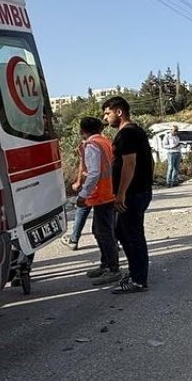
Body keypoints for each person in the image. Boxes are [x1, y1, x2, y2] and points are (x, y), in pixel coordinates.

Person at [101, 96, 153, 294]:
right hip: (138, 191)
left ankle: (138, 280)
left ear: (119, 112)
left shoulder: (127, 134)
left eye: (108, 113)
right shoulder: (136, 131)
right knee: (123, 232)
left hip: (132, 194)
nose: (106, 118)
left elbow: (129, 164)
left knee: (132, 235)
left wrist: (121, 193)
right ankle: (134, 273)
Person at [74, 117, 121, 285]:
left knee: (104, 232)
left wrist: (83, 194)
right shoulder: (105, 141)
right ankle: (106, 264)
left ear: (82, 130)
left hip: (102, 195)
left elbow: (93, 173)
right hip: (109, 192)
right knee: (100, 231)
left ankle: (113, 268)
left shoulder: (92, 145)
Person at [61, 139, 91, 250]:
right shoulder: (106, 142)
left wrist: (79, 182)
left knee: (82, 208)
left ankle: (74, 239)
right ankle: (113, 242)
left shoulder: (86, 144)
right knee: (105, 215)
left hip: (91, 185)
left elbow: (83, 165)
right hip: (106, 187)